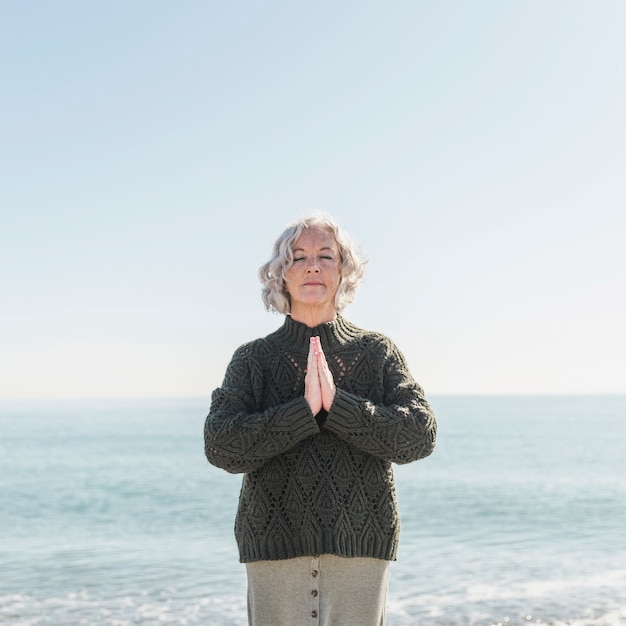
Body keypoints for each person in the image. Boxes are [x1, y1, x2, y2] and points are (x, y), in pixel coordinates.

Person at [204, 212, 437, 626]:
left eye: (326, 256)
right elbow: (221, 446)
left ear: (344, 271)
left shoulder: (376, 352)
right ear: (280, 275)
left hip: (362, 547)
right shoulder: (252, 359)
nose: (312, 265)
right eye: (298, 257)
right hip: (274, 547)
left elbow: (420, 434)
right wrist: (303, 411)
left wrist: (339, 406)